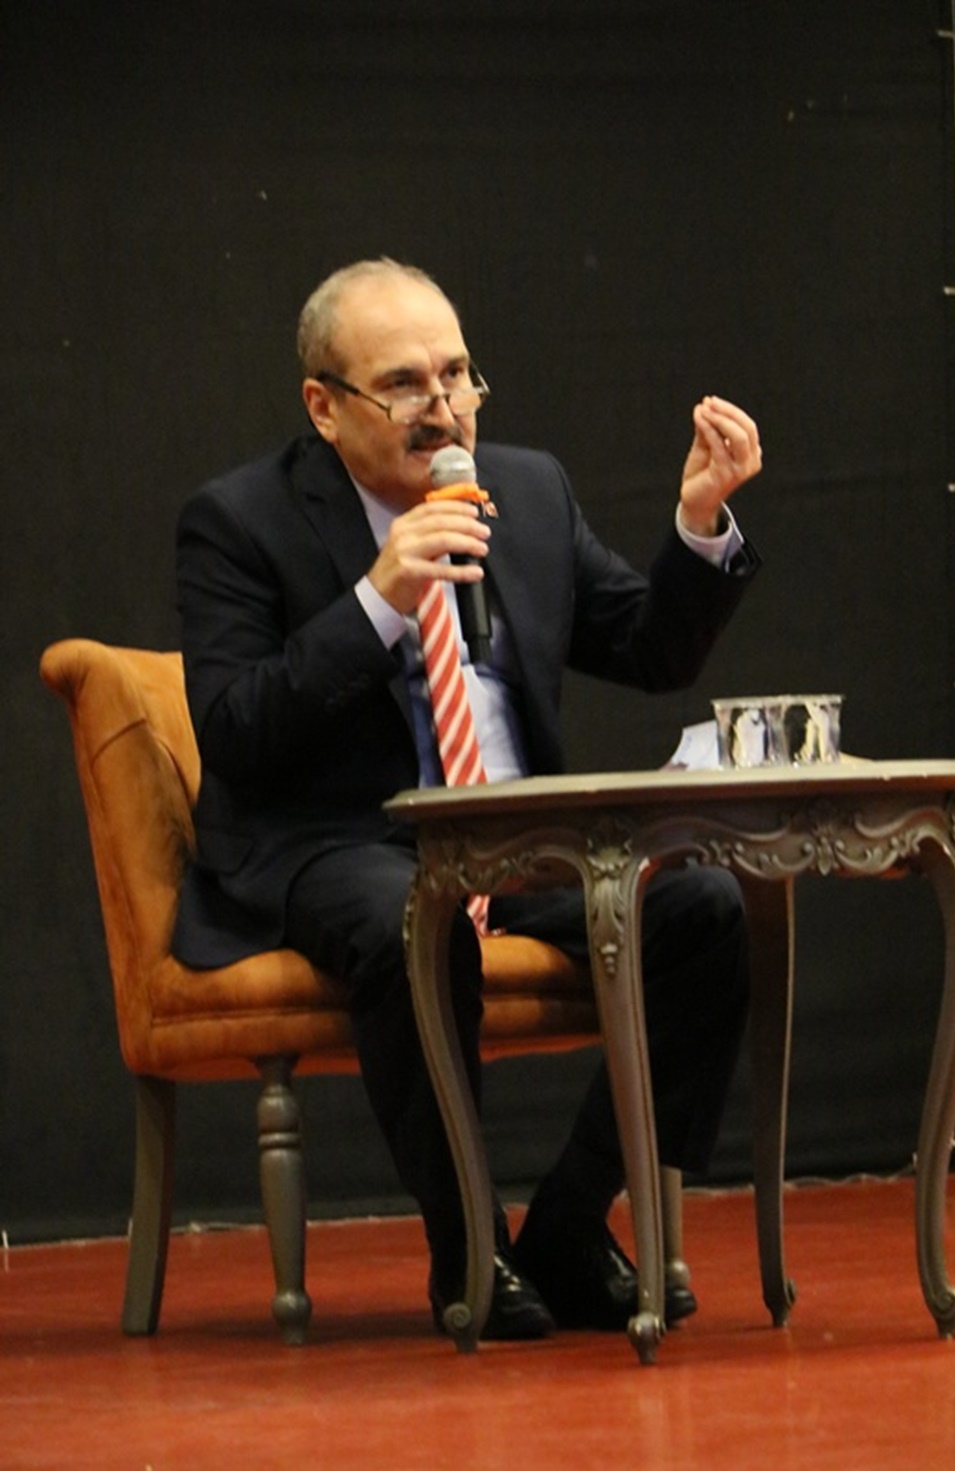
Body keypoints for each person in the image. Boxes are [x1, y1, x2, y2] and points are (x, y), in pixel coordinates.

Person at [173, 257, 763, 1340]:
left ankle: (570, 1220)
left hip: (517, 835)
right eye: (403, 384)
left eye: (455, 375)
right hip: (339, 841)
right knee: (416, 917)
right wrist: (377, 599)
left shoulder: (524, 491)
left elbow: (650, 651)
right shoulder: (240, 519)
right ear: (324, 406)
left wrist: (698, 521)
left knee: (705, 908)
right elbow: (236, 729)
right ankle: (468, 1242)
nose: (442, 409)